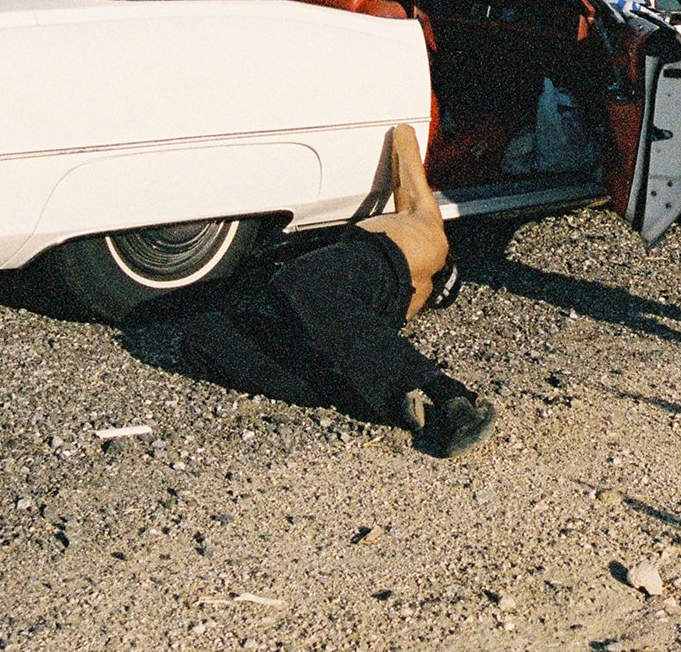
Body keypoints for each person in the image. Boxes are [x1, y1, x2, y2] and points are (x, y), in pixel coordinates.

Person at [177, 125, 498, 457]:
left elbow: (404, 138)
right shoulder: (420, 263)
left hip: (361, 268)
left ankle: (447, 393)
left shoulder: (427, 225)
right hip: (358, 304)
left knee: (297, 289)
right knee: (209, 337)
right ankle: (393, 399)